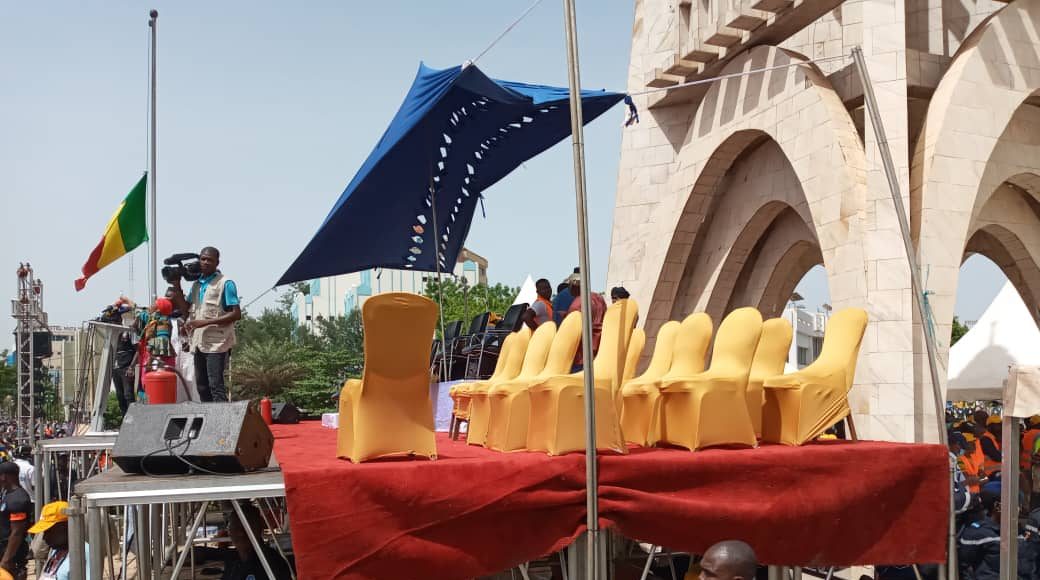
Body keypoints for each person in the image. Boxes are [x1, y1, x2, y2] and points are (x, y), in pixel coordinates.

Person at [169, 247, 241, 402]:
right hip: (199, 342)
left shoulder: (225, 283)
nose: (206, 262)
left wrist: (204, 323)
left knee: (216, 385)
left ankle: (222, 417)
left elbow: (236, 314)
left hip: (217, 343)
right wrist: (177, 285)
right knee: (202, 386)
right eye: (203, 259)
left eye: (210, 260)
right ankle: (208, 416)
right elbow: (186, 310)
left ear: (217, 262)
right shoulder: (197, 285)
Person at [222, 503, 292, 580]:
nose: (240, 533)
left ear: (259, 528)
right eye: (235, 527)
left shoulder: (272, 563)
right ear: (229, 531)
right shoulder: (233, 561)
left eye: (247, 527)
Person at [29, 501, 91, 580]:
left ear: (65, 526)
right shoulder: (56, 551)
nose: (44, 537)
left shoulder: (83, 553)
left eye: (49, 531)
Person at [565, 273, 607, 370]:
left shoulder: (576, 305)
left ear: (573, 286)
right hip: (599, 348)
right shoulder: (599, 298)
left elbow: (571, 332)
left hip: (582, 353)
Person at [0, 463, 30, 578]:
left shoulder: (18, 499)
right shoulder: (6, 493)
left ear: (3, 477)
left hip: (11, 557)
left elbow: (17, 533)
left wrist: (6, 560)